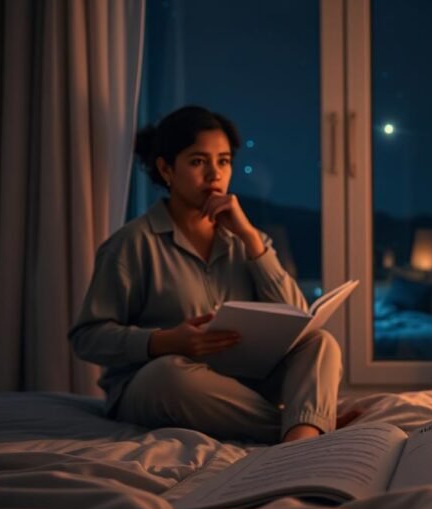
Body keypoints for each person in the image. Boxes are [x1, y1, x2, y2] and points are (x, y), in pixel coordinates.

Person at [69, 105, 343, 443]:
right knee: (169, 376)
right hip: (161, 383)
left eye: (224, 161)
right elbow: (87, 337)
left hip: (241, 380)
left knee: (321, 343)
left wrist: (252, 241)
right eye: (198, 162)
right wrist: (163, 340)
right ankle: (303, 430)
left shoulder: (247, 240)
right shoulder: (131, 244)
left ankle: (301, 435)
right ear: (166, 169)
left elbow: (299, 321)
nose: (215, 174)